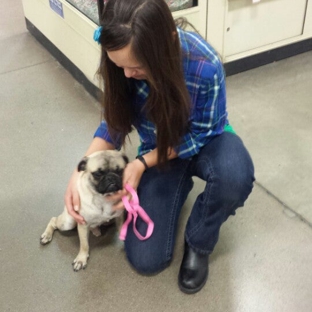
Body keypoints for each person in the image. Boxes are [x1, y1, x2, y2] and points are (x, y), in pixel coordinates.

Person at [65, 0, 255, 294]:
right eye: (119, 66)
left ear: (165, 45)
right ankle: (175, 189)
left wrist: (141, 164)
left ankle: (199, 242)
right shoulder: (124, 69)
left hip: (208, 141)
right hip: (159, 152)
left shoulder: (205, 66)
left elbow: (203, 133)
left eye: (136, 66)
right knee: (146, 260)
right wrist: (79, 172)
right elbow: (114, 124)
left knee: (235, 175)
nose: (127, 74)